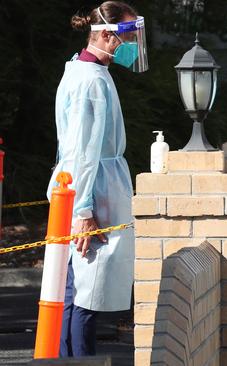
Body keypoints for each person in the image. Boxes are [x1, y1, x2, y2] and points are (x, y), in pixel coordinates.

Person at [48, 1, 147, 357]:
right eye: (129, 35)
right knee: (86, 292)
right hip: (94, 189)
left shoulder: (80, 70)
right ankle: (79, 360)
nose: (134, 44)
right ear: (107, 34)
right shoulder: (91, 80)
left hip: (90, 185)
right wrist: (85, 208)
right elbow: (83, 151)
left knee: (79, 289)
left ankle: (72, 357)